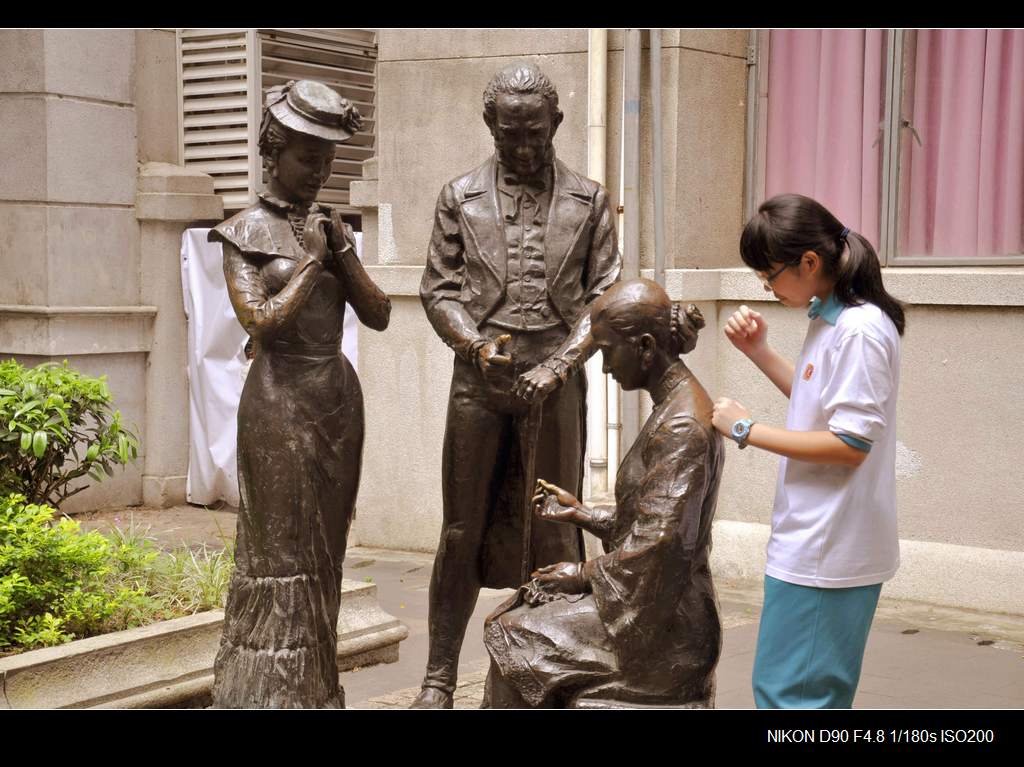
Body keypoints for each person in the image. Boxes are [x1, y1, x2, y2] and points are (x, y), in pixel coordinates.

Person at [414, 63, 621, 708]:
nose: (524, 148)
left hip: (557, 380)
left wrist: (560, 364)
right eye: (511, 136)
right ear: (491, 127)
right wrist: (474, 346)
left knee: (556, 526)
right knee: (460, 530)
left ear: (556, 124)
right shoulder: (459, 196)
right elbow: (439, 288)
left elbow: (606, 292)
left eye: (535, 134)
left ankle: (545, 672)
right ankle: (439, 676)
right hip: (480, 380)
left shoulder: (589, 201)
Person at [208, 80, 391, 708]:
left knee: (325, 549)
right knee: (277, 549)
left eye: (327, 159)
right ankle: (263, 692)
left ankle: (315, 686)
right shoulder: (242, 232)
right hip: (279, 401)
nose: (319, 171)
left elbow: (380, 315)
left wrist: (342, 251)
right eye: (308, 157)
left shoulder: (329, 230)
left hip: (336, 398)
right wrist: (313, 263)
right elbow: (259, 322)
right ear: (274, 151)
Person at [482, 278, 724, 708]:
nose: (606, 366)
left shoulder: (682, 426)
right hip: (653, 604)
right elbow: (648, 524)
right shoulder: (673, 408)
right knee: (522, 612)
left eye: (608, 350)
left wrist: (582, 573)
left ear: (646, 347)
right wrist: (583, 515)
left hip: (668, 628)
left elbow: (661, 544)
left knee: (514, 637)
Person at [712, 192, 905, 709]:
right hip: (814, 541)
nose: (767, 287)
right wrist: (760, 353)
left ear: (810, 262)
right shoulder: (830, 318)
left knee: (794, 701)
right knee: (791, 696)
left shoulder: (860, 329)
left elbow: (849, 444)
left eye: (769, 275)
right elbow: (820, 406)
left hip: (830, 547)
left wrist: (745, 429)